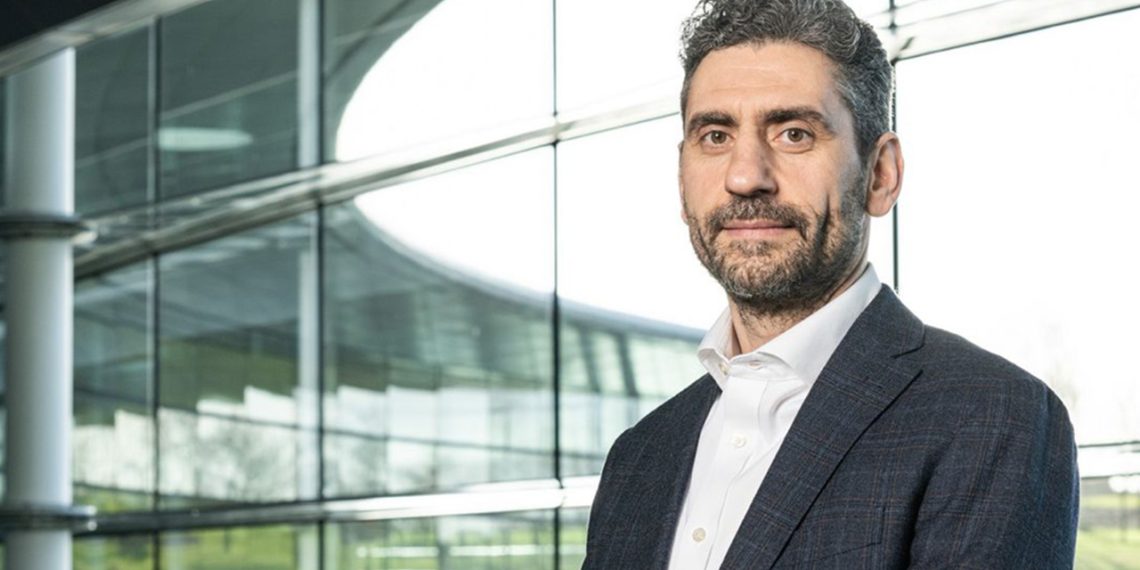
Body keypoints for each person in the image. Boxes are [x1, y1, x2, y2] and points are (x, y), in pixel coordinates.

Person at [581, 0, 1080, 568]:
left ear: (880, 174)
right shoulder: (638, 458)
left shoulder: (991, 415)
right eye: (716, 136)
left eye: (793, 134)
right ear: (681, 179)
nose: (744, 176)